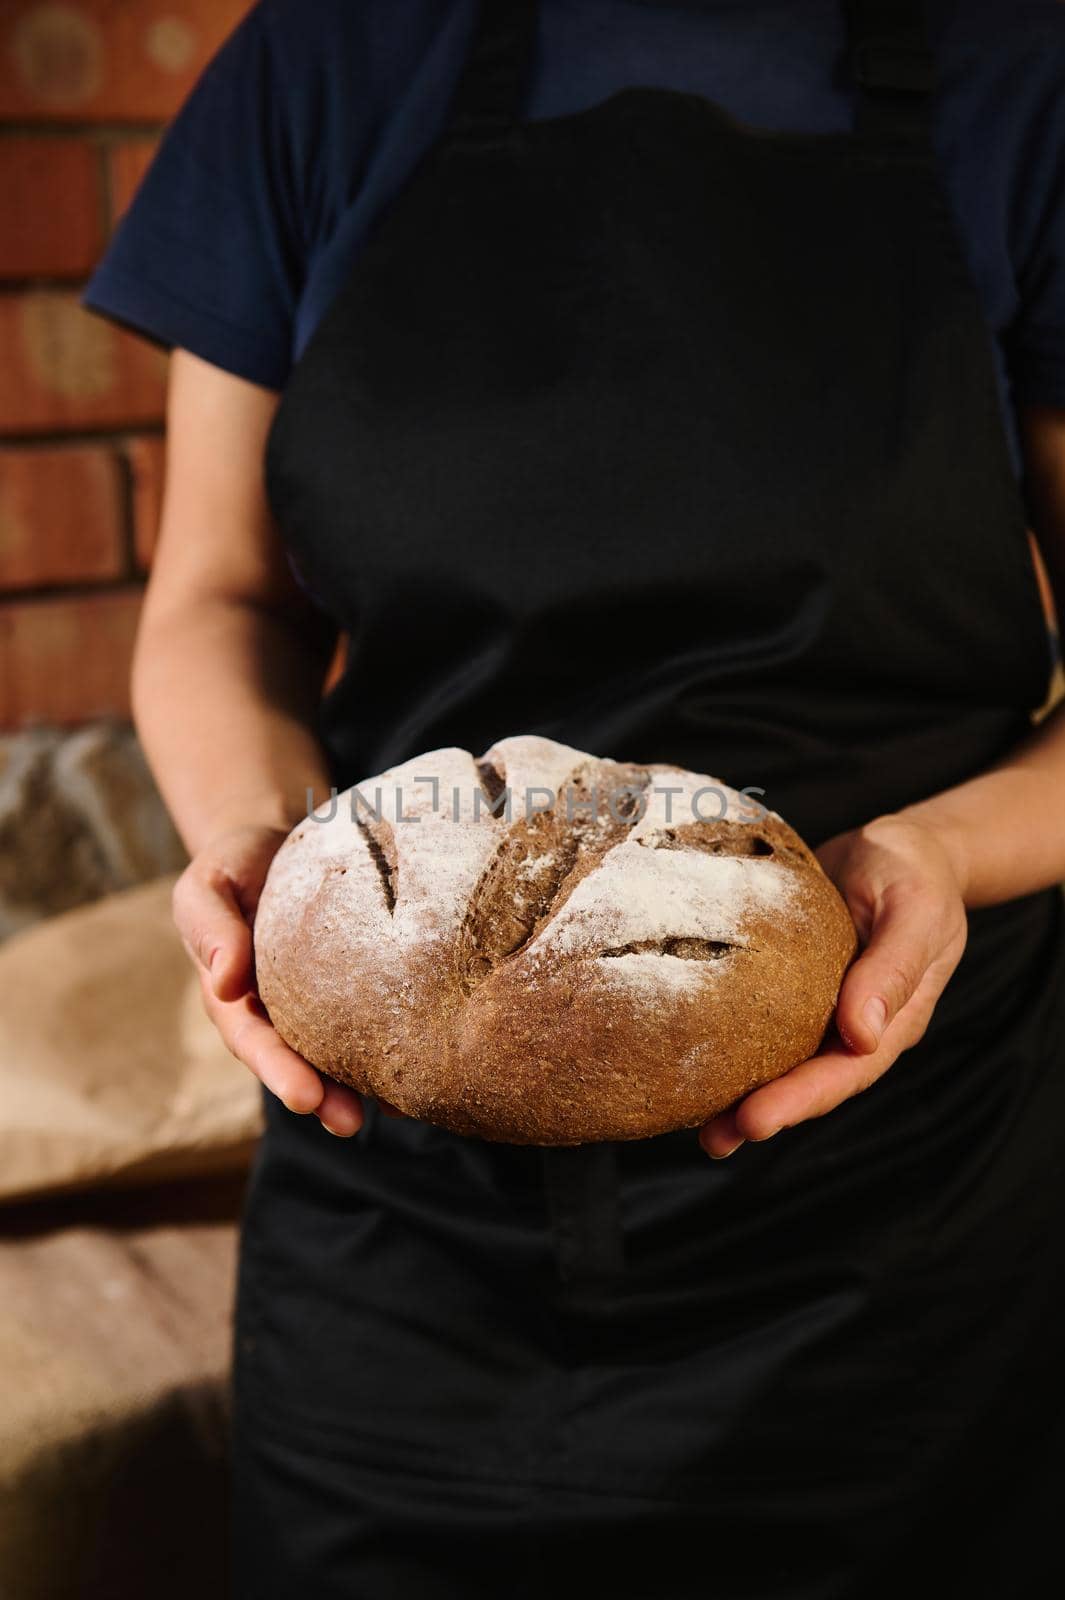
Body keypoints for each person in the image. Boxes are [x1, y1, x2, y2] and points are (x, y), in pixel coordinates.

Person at [81, 1, 1065, 1594]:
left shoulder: (1022, 74)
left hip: (901, 1227)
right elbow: (215, 605)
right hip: (399, 1218)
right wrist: (257, 853)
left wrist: (932, 855)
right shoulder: (327, 62)